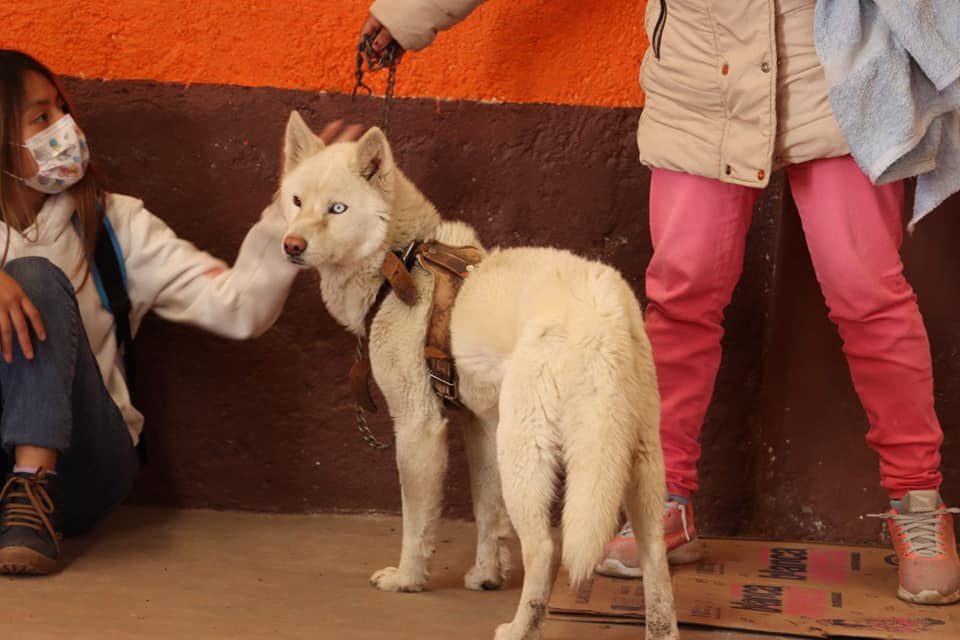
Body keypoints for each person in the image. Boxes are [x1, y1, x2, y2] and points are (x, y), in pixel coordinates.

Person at [357, 0, 960, 605]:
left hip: (832, 72)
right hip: (701, 78)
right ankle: (664, 500)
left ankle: (918, 502)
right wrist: (412, 11)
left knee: (869, 294)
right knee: (682, 297)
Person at [0, 49, 358, 575]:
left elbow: (239, 307)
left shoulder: (116, 224)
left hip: (86, 468)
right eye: (41, 118)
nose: (65, 128)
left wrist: (296, 207)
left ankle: (33, 491)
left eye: (61, 109)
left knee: (34, 279)